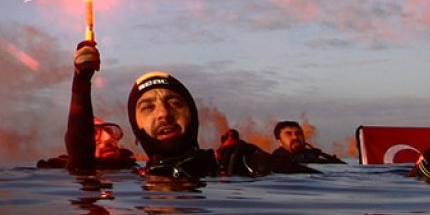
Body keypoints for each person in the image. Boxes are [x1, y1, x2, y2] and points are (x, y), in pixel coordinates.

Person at [127, 71, 318, 179]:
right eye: (148, 107)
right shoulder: (127, 178)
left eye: (175, 103)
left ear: (193, 116)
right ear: (135, 126)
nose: (164, 114)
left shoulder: (232, 163)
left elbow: (313, 183)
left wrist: (256, 160)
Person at [39, 41, 137, 171]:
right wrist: (81, 81)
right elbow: (81, 150)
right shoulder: (65, 169)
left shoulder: (134, 170)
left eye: (109, 131)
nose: (108, 139)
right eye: (94, 133)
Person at [271, 120, 344, 164]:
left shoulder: (315, 155)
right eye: (289, 134)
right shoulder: (275, 161)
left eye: (299, 133)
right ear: (279, 141)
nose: (295, 137)